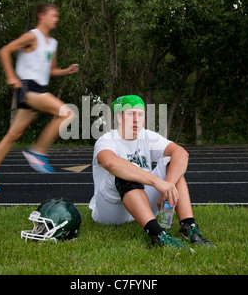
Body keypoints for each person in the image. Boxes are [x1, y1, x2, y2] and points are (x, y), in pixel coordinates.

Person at [89, 95, 214, 249]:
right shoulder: (107, 139)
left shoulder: (147, 136)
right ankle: (157, 235)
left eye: (140, 114)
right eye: (130, 114)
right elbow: (110, 162)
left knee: (172, 165)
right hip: (111, 210)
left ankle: (189, 227)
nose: (136, 119)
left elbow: (181, 154)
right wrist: (157, 183)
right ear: (119, 117)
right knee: (125, 172)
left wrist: (168, 184)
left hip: (141, 203)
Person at [0, 2, 78, 193]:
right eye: (53, 15)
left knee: (13, 135)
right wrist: (11, 76)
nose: (56, 19)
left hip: (38, 89)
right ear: (42, 16)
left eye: (57, 16)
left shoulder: (52, 43)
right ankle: (38, 151)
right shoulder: (32, 36)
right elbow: (4, 51)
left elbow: (51, 70)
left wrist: (66, 71)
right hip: (28, 89)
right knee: (67, 113)